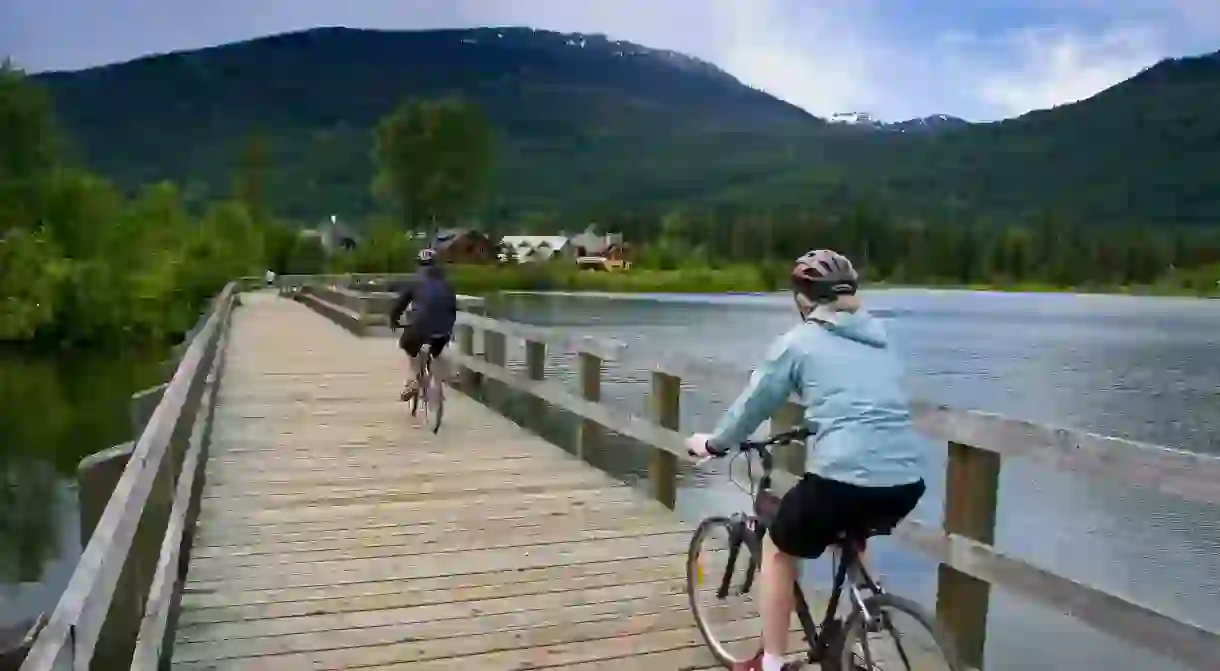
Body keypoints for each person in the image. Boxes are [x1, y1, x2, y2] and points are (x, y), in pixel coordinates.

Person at [685, 249, 927, 671]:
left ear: (803, 299)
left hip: (843, 477)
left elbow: (753, 405)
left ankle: (773, 662)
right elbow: (863, 402)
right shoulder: (880, 337)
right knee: (851, 526)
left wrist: (715, 444)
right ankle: (869, 608)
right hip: (906, 480)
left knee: (779, 550)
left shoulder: (799, 342)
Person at [389, 248, 458, 401]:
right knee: (436, 348)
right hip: (444, 330)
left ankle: (414, 380)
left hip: (421, 327)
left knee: (407, 344)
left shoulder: (415, 280)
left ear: (419, 264)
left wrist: (394, 319)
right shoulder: (447, 282)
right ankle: (443, 377)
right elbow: (452, 306)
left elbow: (400, 303)